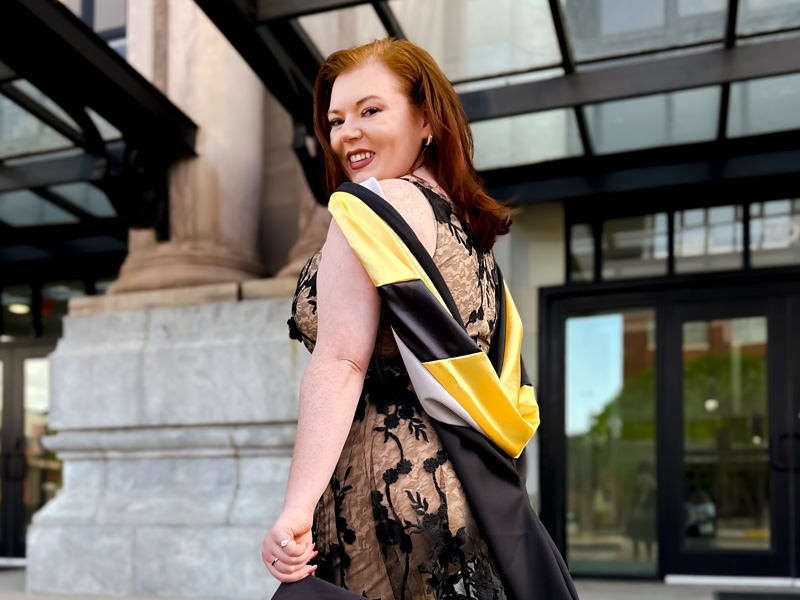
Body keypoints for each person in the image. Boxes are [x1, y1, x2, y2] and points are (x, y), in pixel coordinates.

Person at [262, 38, 579, 600]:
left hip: (385, 492)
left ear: (426, 119)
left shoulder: (371, 209)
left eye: (370, 110)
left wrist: (295, 510)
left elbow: (341, 359)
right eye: (336, 120)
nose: (346, 134)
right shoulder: (463, 231)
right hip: (461, 493)